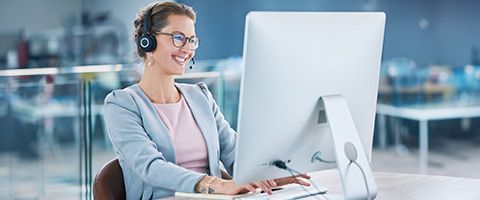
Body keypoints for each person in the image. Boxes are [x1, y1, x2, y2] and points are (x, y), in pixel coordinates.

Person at [103, 2, 311, 199]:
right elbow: (151, 167)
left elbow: (233, 151)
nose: (187, 48)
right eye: (178, 37)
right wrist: (218, 185)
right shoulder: (122, 104)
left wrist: (268, 172)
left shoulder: (199, 96)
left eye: (192, 40)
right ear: (147, 41)